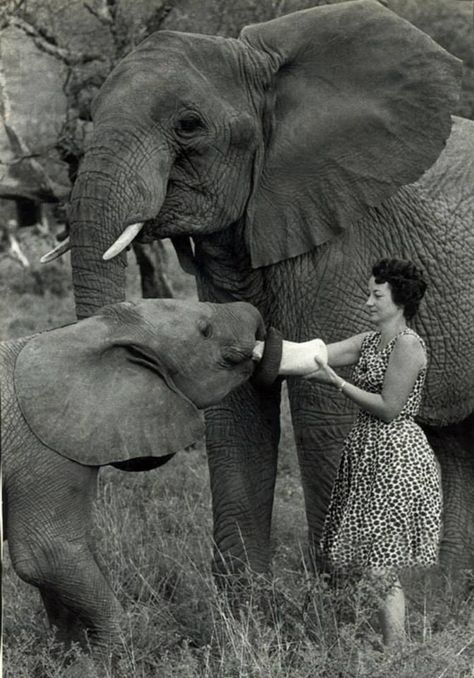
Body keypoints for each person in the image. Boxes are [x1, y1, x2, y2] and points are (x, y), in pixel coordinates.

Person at [305, 258, 442, 647]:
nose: (368, 302)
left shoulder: (409, 344)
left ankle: (397, 652)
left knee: (380, 564)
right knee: (373, 561)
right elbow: (316, 357)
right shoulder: (368, 342)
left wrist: (338, 384)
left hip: (397, 455)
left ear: (398, 300)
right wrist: (260, 352)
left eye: (376, 295)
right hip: (368, 454)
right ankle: (394, 647)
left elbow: (389, 407)